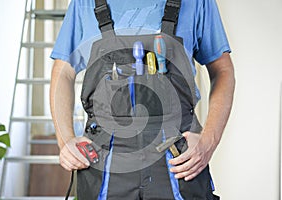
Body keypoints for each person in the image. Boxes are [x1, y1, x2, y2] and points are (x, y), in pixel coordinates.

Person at [50, 0, 235, 199]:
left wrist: (209, 140)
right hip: (105, 161)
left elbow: (223, 70)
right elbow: (63, 73)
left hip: (176, 159)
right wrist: (65, 140)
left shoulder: (197, 2)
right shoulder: (84, 3)